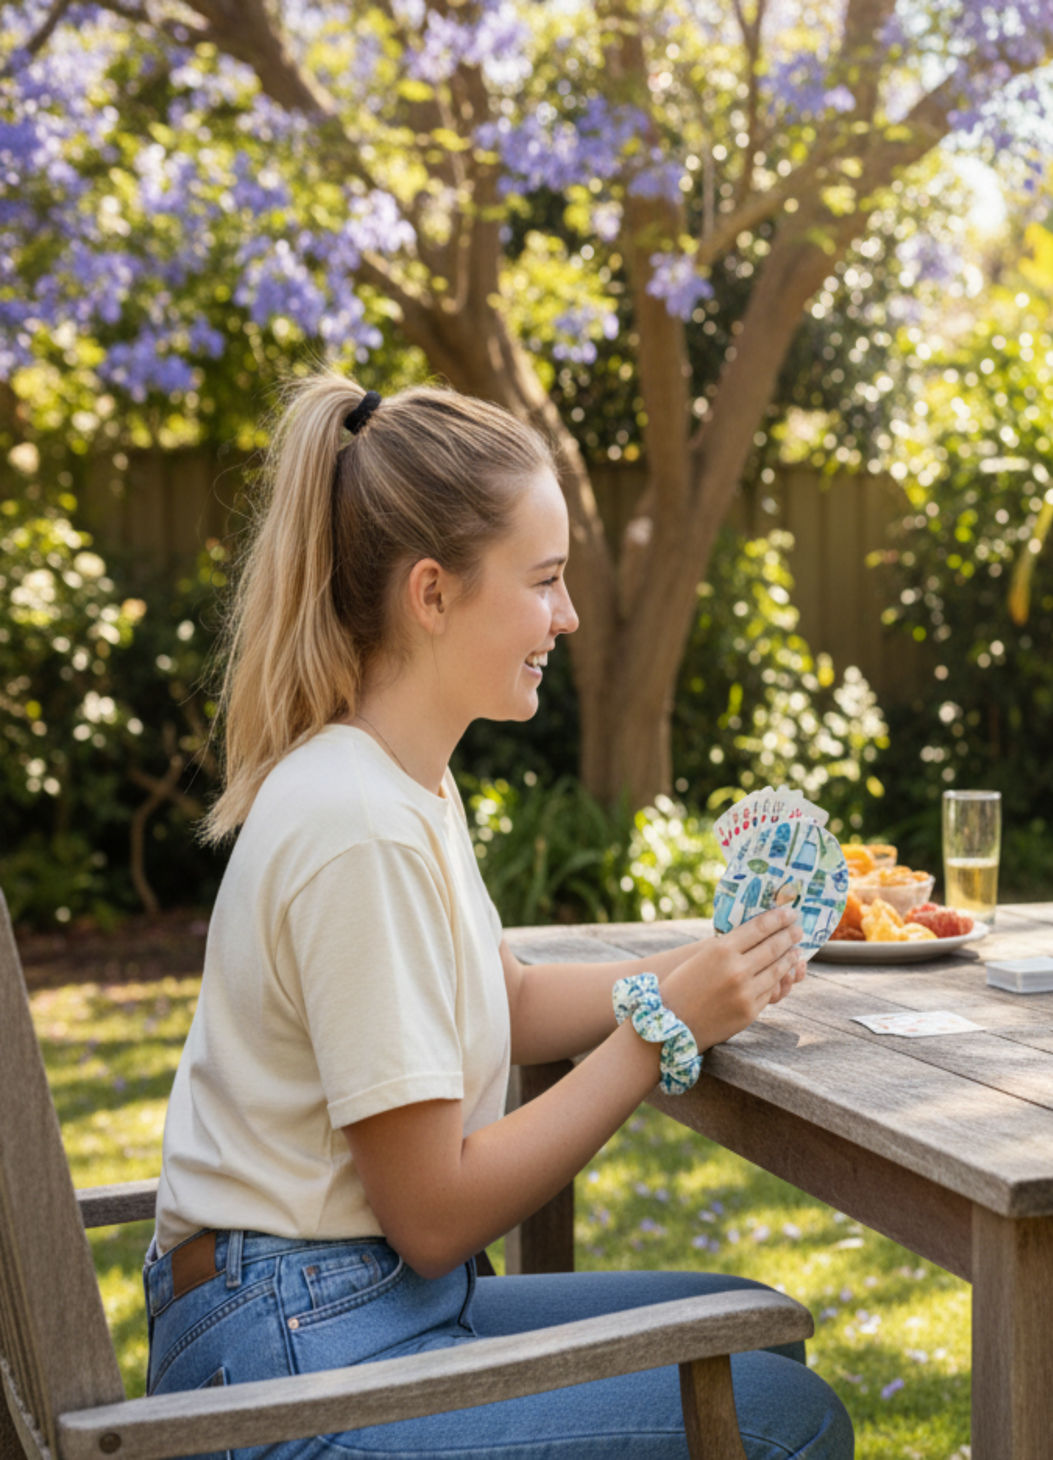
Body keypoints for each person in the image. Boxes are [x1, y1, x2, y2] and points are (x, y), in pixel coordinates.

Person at [145, 375, 853, 1459]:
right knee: (778, 1413)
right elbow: (434, 1210)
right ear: (432, 593)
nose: (566, 615)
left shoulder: (403, 782)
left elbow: (505, 997)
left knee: (757, 1325)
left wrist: (713, 966)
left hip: (345, 1300)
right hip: (293, 1356)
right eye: (545, 581)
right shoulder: (358, 823)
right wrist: (659, 1034)